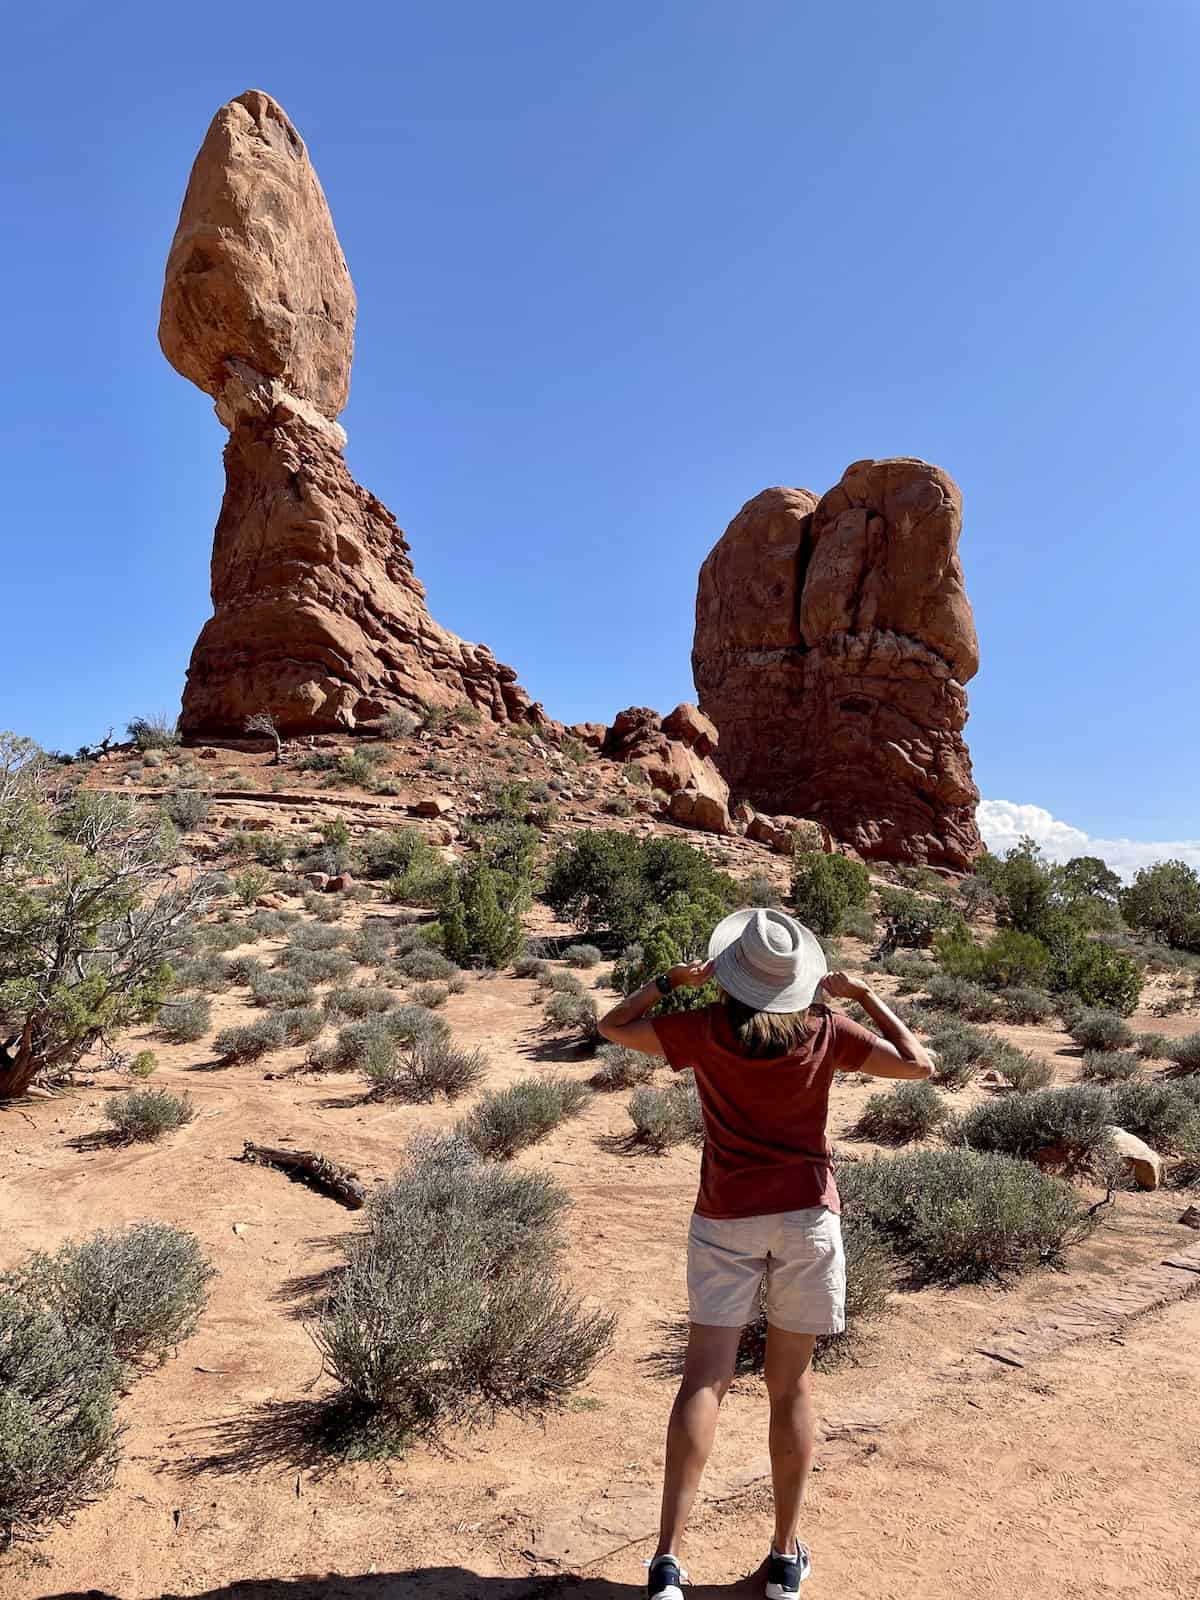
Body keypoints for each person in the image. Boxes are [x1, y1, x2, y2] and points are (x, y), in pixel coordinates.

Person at [597, 905, 933, 1600]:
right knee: (791, 1386)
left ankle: (666, 1563)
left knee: (704, 1382)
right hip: (808, 1215)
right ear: (798, 979)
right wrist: (864, 996)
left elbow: (611, 1028)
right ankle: (784, 1558)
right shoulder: (826, 1030)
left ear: (731, 972)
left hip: (725, 1216)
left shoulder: (702, 1029)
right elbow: (918, 1065)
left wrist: (668, 981)